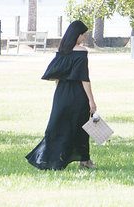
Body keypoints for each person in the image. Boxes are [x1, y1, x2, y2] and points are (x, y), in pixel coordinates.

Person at [26, 20, 99, 170]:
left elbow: (54, 76)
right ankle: (84, 161)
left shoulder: (62, 51)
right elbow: (84, 78)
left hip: (61, 94)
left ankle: (49, 159)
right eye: (83, 34)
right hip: (78, 94)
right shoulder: (82, 52)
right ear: (77, 35)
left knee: (56, 126)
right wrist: (92, 101)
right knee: (81, 127)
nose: (84, 37)